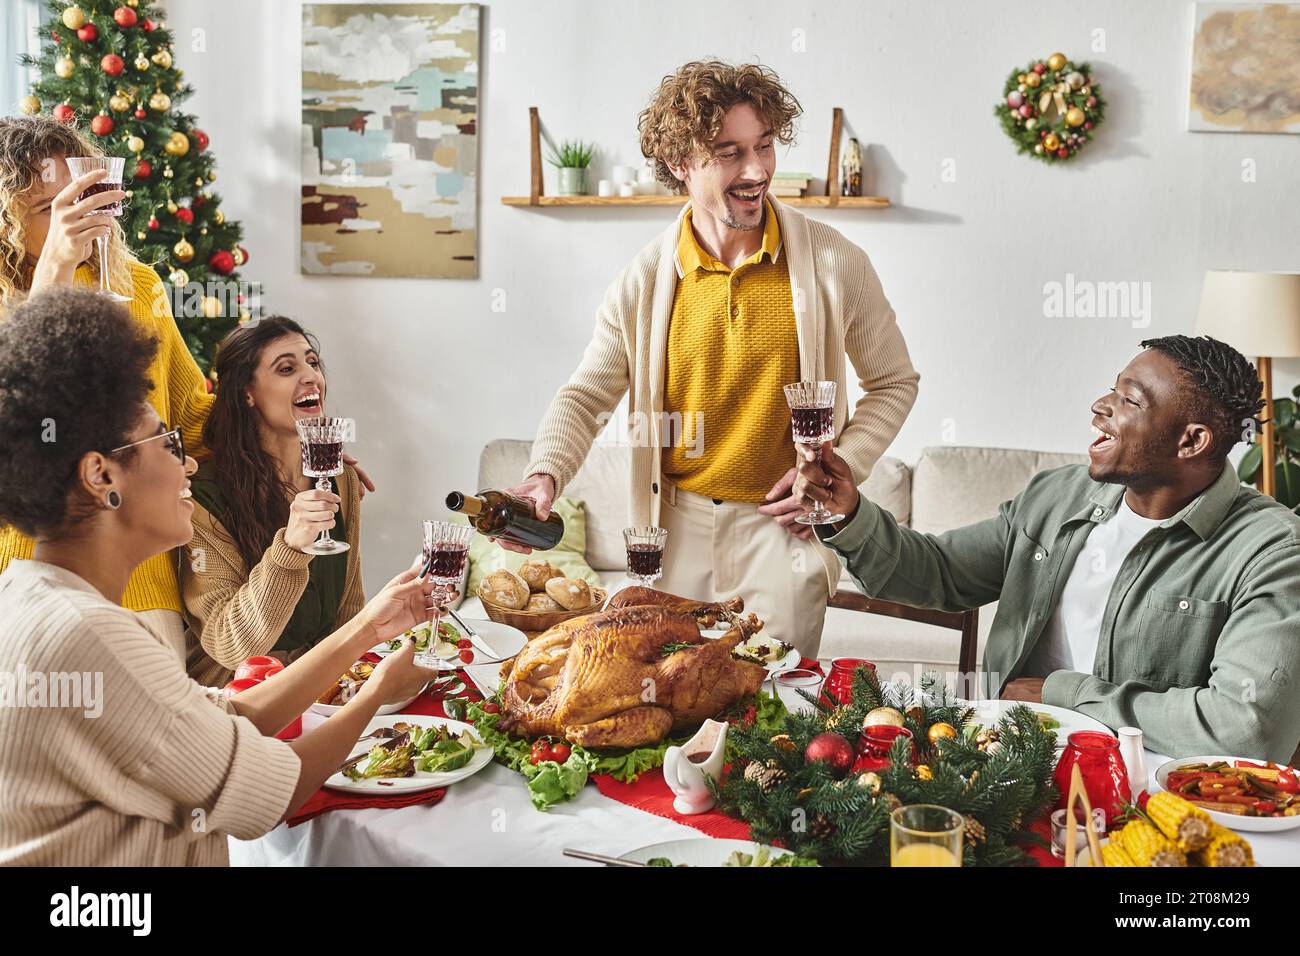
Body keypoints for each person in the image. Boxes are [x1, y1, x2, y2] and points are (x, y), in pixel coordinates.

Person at [0, 288, 436, 865]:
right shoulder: (93, 640)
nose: (186, 462)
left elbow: (226, 719)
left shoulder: (35, 596)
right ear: (101, 475)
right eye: (167, 440)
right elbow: (269, 795)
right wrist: (379, 690)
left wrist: (366, 631)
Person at [503, 61, 919, 656]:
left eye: (765, 146)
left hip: (782, 536)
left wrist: (841, 468)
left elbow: (894, 382)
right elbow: (586, 395)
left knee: (776, 717)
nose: (756, 171)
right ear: (681, 164)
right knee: (667, 707)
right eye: (729, 153)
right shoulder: (644, 280)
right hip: (675, 531)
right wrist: (543, 474)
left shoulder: (833, 263)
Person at [796, 335, 1300, 762]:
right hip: (1001, 766)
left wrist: (1066, 694)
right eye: (1111, 390)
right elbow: (940, 573)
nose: (1100, 407)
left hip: (1143, 796)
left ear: (1191, 441)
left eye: (1131, 400)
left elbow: (1248, 726)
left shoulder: (1270, 551)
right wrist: (850, 514)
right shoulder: (1056, 496)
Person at [0, 116, 374, 661]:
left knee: (154, 742)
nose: (74, 218)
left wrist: (301, 453)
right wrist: (55, 267)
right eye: (48, 209)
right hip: (34, 566)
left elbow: (195, 414)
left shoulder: (139, 286)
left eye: (79, 197)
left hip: (147, 580)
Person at [182, 316, 364, 685]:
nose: (311, 376)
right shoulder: (202, 500)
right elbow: (231, 646)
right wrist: (291, 549)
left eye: (312, 362)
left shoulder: (339, 479)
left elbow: (348, 608)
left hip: (317, 687)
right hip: (233, 699)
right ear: (247, 392)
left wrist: (352, 683)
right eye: (286, 368)